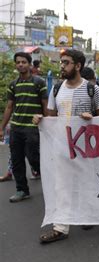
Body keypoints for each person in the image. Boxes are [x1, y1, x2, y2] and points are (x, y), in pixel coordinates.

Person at [33, 49, 99, 243]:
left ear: (78, 66)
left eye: (66, 62)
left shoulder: (93, 89)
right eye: (61, 62)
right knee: (62, 187)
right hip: (62, 146)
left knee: (86, 183)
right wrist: (41, 119)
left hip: (86, 148)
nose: (62, 66)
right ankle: (61, 227)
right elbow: (51, 117)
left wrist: (92, 120)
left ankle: (86, 216)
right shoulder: (56, 89)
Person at [0, 52, 48, 202]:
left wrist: (47, 124)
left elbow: (45, 104)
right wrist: (2, 127)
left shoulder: (39, 82)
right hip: (16, 127)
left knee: (33, 156)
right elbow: (9, 107)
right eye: (18, 62)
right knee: (16, 159)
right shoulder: (13, 84)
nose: (20, 64)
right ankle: (22, 190)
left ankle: (48, 177)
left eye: (23, 62)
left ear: (29, 64)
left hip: (32, 127)